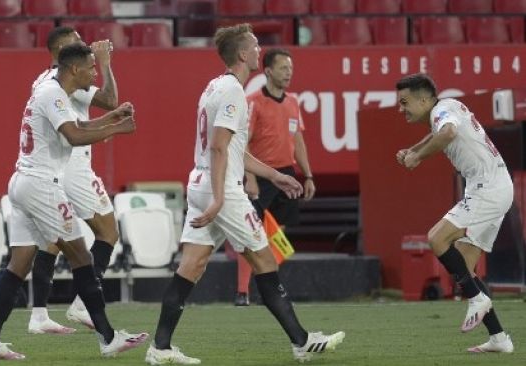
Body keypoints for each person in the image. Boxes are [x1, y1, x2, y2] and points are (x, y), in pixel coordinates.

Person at [144, 24, 345, 365]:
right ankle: (301, 341)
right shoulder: (235, 91)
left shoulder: (213, 87)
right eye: (254, 46)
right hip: (221, 188)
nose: (258, 51)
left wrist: (275, 175)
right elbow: (220, 148)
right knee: (264, 260)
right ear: (241, 54)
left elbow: (232, 150)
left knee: (191, 265)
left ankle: (159, 347)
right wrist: (222, 198)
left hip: (201, 181)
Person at [0, 44, 147, 360]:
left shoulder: (51, 92)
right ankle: (108, 338)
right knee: (81, 257)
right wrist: (118, 129)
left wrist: (109, 117)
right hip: (42, 186)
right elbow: (74, 137)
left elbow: (77, 126)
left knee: (19, 264)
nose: (94, 73)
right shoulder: (52, 94)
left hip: (23, 183)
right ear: (73, 69)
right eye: (91, 68)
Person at [395, 73, 514, 353]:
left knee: (437, 239)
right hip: (496, 185)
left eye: (405, 102)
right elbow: (442, 131)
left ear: (424, 99)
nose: (401, 109)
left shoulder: (442, 112)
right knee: (464, 265)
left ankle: (476, 299)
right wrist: (413, 148)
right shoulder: (448, 107)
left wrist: (416, 157)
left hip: (488, 188)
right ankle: (499, 338)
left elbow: (447, 134)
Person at [27, 26, 121, 334]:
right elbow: (109, 98)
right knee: (108, 231)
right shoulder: (71, 79)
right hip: (75, 166)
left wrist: (102, 124)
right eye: (76, 44)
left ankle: (39, 314)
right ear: (62, 54)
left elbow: (80, 119)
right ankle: (82, 304)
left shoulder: (41, 80)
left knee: (52, 242)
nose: (85, 46)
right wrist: (105, 63)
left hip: (52, 168)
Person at [235, 48, 315, 306]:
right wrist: (251, 178)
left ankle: (269, 289)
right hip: (262, 173)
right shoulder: (254, 101)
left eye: (290, 68)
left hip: (287, 173)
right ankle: (242, 292)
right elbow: (243, 143)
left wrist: (308, 175)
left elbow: (298, 140)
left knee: (276, 233)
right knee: (250, 232)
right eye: (283, 68)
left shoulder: (293, 102)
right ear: (268, 71)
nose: (288, 73)